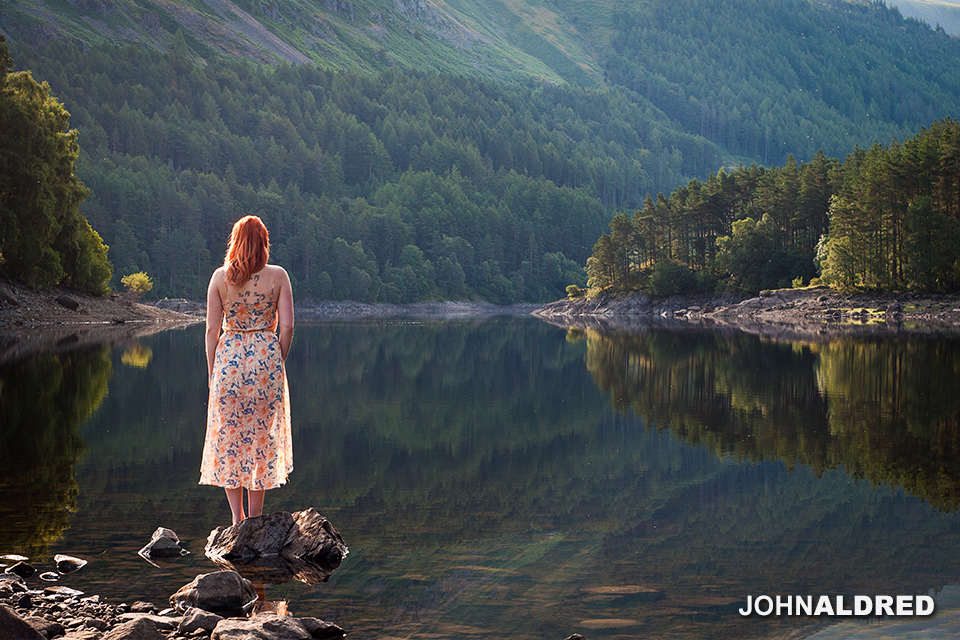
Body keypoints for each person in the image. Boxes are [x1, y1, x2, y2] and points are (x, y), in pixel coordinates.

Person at [199, 215, 294, 525]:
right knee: (260, 439)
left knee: (229, 439)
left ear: (235, 242)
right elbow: (288, 326)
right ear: (263, 243)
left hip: (228, 363)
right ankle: (255, 518)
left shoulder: (219, 278)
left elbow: (212, 331)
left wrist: (214, 373)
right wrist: (276, 358)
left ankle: (236, 519)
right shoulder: (278, 276)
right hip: (265, 364)